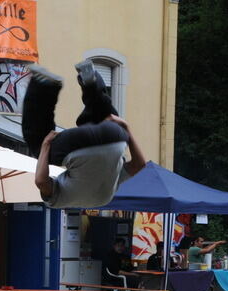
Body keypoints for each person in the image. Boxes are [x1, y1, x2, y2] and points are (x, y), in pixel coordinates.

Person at [22, 60, 147, 208]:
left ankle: (91, 82)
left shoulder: (109, 190)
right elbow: (41, 181)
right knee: (38, 144)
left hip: (115, 137)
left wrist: (126, 129)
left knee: (101, 116)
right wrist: (45, 145)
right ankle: (43, 84)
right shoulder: (57, 200)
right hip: (77, 145)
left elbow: (140, 165)